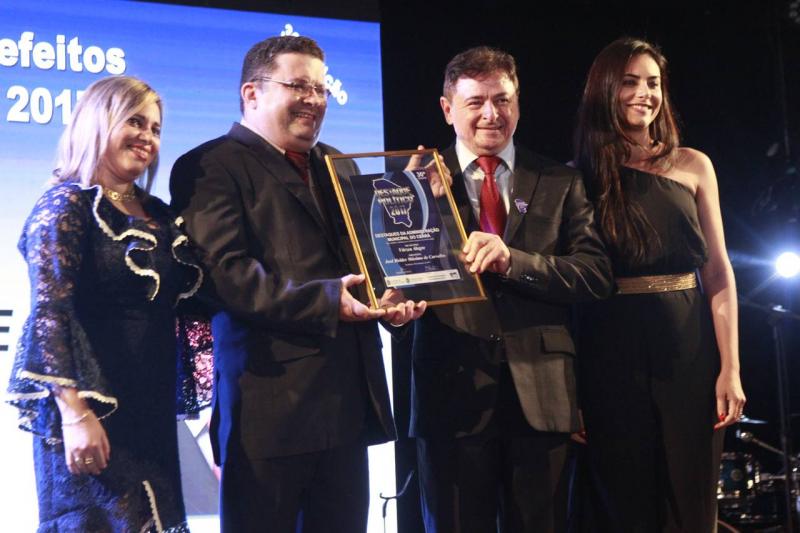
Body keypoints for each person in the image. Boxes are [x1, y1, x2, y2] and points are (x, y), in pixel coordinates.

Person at [169, 35, 425, 533]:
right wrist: (330, 302)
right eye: (299, 86)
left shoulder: (337, 163)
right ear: (252, 93)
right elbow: (224, 276)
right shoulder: (211, 165)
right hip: (268, 411)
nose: (314, 100)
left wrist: (390, 297)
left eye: (321, 89)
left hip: (346, 405)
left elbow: (362, 263)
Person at [410, 46, 612, 533]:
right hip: (451, 394)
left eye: (502, 100)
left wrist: (513, 261)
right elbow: (394, 282)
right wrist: (423, 205)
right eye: (475, 101)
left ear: (518, 103)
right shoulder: (412, 181)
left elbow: (596, 274)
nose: (491, 113)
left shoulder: (559, 180)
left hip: (542, 396)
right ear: (447, 109)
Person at [6, 76, 206, 532]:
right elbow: (50, 315)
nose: (147, 137)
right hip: (91, 414)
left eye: (155, 129)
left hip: (149, 414)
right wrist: (75, 413)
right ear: (98, 122)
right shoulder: (65, 206)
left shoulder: (159, 214)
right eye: (134, 122)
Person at [573, 37, 746, 532]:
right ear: (605, 89)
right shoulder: (578, 178)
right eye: (629, 82)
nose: (644, 94)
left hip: (689, 350)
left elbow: (719, 272)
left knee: (692, 505)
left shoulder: (693, 165)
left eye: (652, 83)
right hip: (609, 356)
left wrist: (730, 368)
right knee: (626, 506)